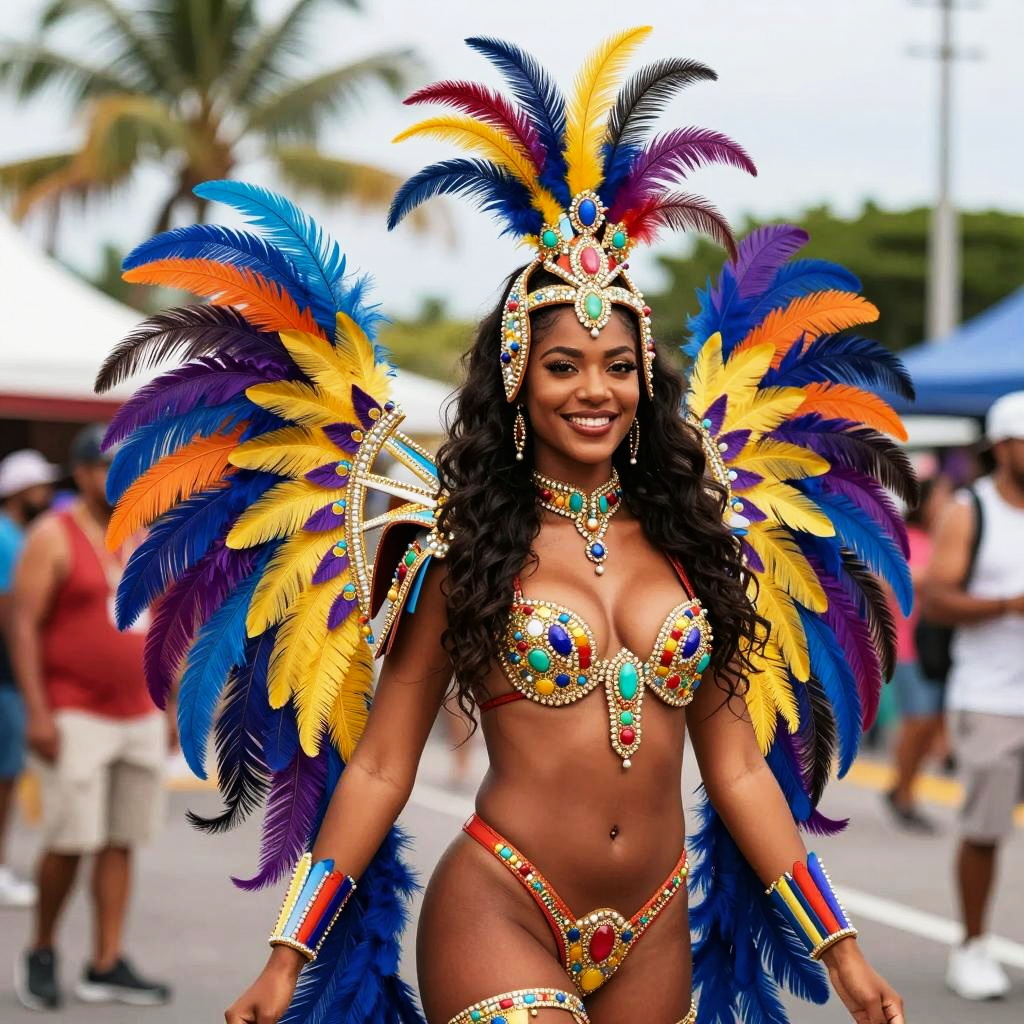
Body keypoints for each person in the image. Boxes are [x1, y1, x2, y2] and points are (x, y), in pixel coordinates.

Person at [100, 29, 911, 1024]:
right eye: (562, 364)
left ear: (644, 380)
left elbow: (736, 766)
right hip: (502, 901)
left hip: (654, 924)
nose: (594, 389)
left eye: (616, 364)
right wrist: (287, 952)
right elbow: (385, 762)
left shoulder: (699, 545)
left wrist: (842, 951)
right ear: (517, 383)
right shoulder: (464, 547)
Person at [10, 425, 172, 1011]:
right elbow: (23, 625)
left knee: (123, 839)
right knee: (71, 838)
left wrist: (171, 702)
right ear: (80, 473)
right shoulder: (54, 536)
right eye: (105, 467)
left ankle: (105, 963)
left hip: (139, 713)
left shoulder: (145, 537)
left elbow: (164, 624)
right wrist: (38, 710)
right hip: (73, 711)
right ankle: (43, 950)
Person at [922, 390, 1024, 1002]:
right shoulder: (970, 509)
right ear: (1005, 447)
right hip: (990, 699)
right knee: (985, 829)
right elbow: (935, 599)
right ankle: (973, 945)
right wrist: (1009, 605)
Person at [0, 450, 60, 908]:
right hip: (5, 677)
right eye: (38, 486)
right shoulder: (7, 537)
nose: (46, 493)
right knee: (5, 775)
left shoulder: (19, 534)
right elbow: (11, 611)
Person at [883, 478, 948, 832]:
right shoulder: (906, 539)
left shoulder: (941, 539)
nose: (948, 502)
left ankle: (903, 788)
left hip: (935, 648)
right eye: (943, 495)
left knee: (925, 724)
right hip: (908, 646)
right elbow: (896, 581)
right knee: (917, 721)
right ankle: (902, 792)